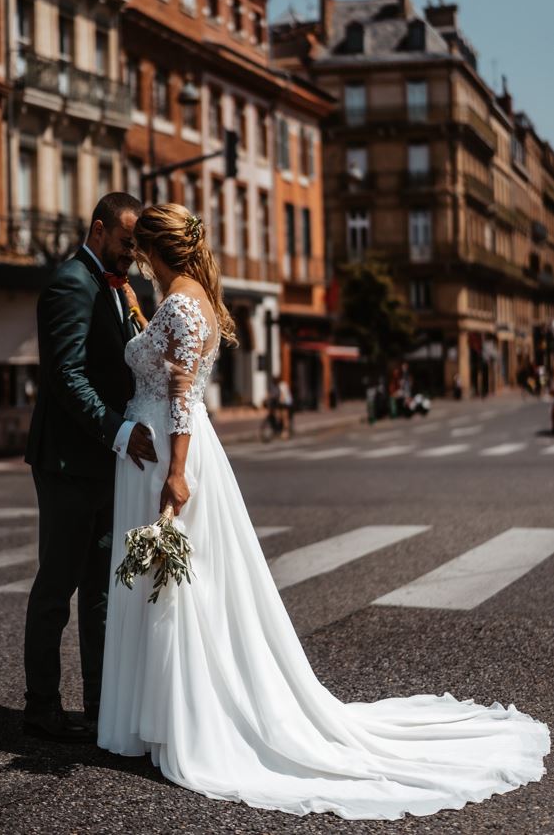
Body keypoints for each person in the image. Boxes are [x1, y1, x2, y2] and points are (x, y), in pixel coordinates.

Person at [98, 203, 549, 820]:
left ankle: (180, 719)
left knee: (179, 587)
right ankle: (168, 714)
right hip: (172, 445)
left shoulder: (178, 302)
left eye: (137, 247)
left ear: (151, 249)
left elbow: (179, 393)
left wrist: (176, 474)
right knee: (185, 585)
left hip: (168, 451)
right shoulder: (191, 296)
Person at [23, 192, 158, 743]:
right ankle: (41, 706)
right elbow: (66, 376)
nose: (132, 255)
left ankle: (102, 704)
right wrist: (120, 431)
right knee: (56, 589)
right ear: (99, 230)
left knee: (103, 591)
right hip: (67, 463)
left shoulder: (122, 288)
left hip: (108, 465)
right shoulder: (69, 284)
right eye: (127, 243)